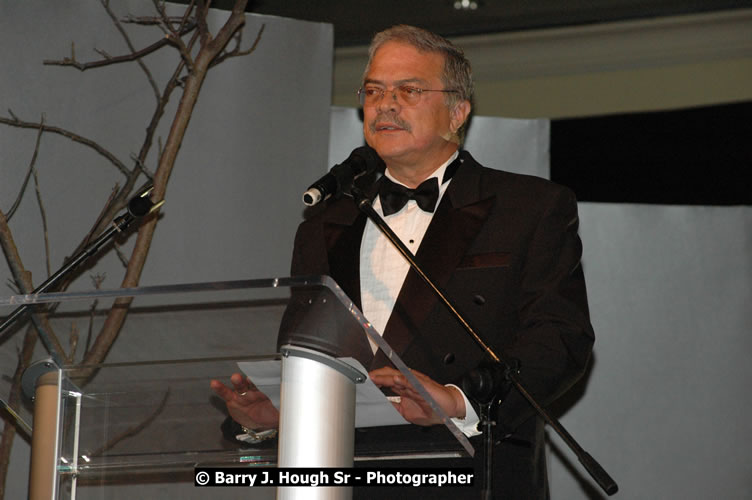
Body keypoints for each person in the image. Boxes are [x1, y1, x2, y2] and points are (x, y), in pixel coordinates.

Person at [212, 24, 594, 499]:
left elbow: (560, 340)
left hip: (471, 475)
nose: (385, 103)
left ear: (458, 112)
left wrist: (458, 401)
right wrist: (279, 415)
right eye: (374, 90)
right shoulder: (326, 224)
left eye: (409, 90)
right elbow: (307, 355)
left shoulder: (528, 206)